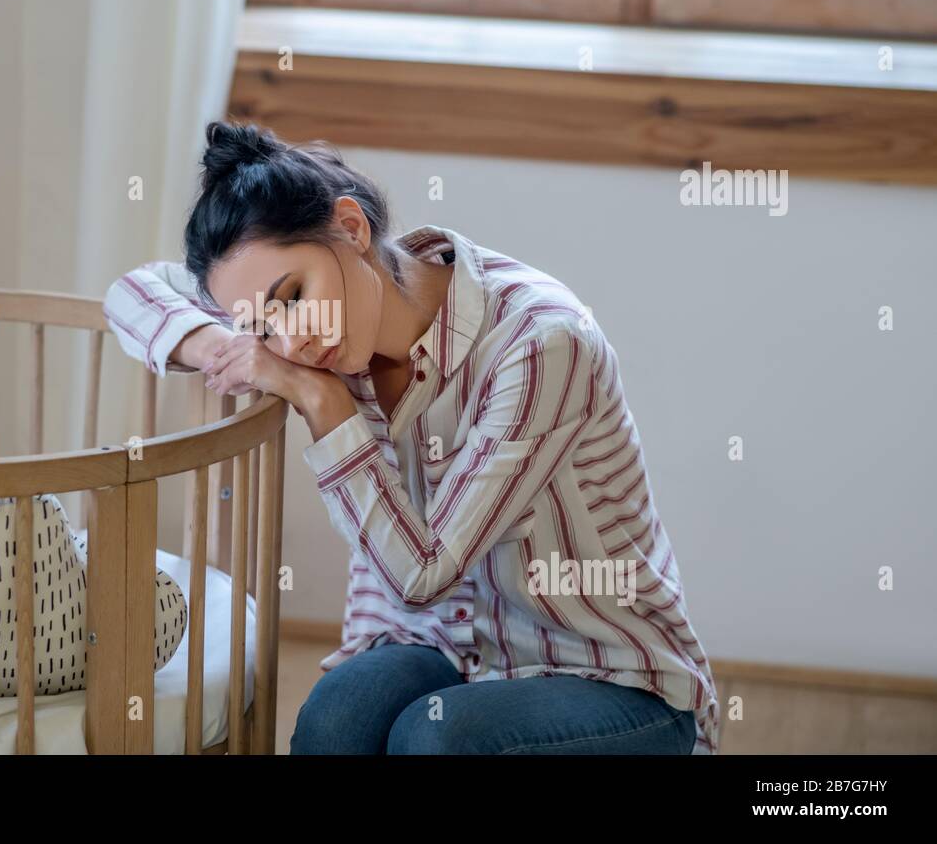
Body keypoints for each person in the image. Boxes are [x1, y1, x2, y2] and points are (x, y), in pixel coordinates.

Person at [103, 120, 718, 754]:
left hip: (608, 676)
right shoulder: (308, 326)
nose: (291, 344)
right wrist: (232, 343)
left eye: (293, 297)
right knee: (334, 722)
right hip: (444, 647)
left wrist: (321, 400)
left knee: (435, 741)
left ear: (351, 227)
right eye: (262, 327)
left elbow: (424, 575)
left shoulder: (541, 345)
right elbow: (132, 293)